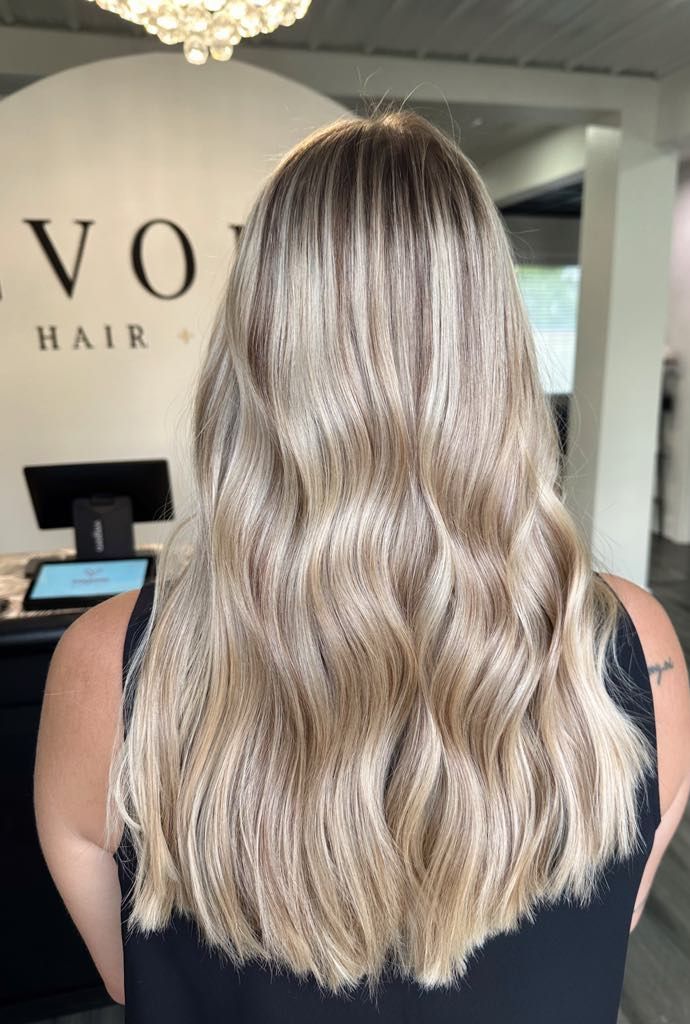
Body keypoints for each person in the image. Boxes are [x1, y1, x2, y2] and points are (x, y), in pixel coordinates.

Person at [34, 110, 690, 1023]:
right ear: (496, 354)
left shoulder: (110, 667)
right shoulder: (637, 648)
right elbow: (603, 923)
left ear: (253, 352)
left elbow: (129, 976)